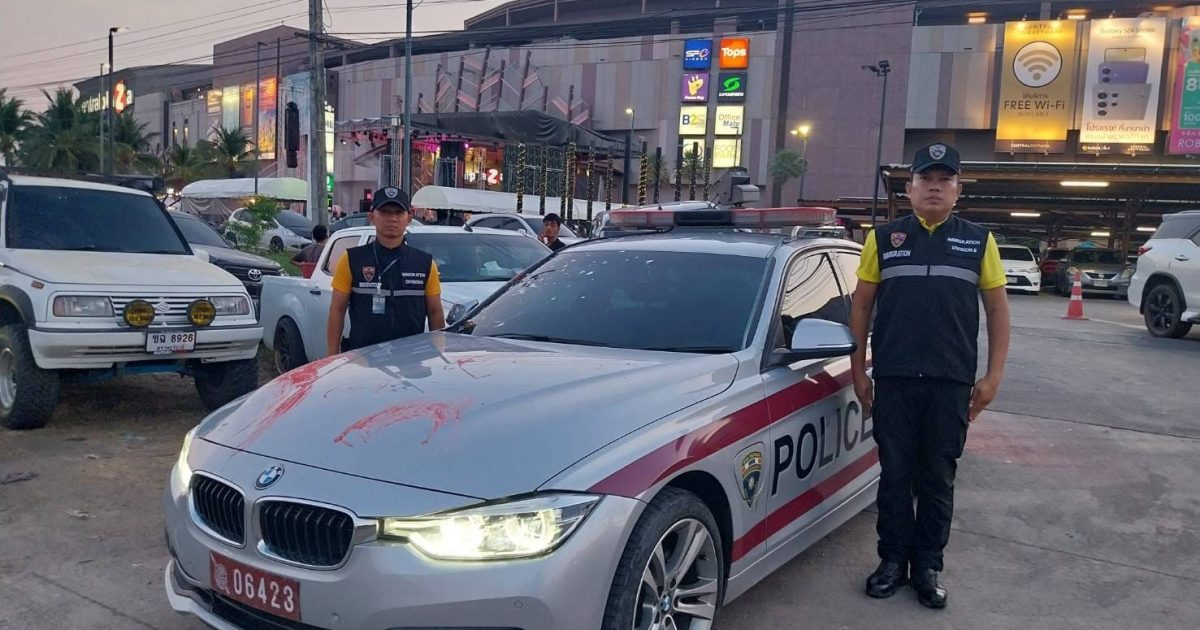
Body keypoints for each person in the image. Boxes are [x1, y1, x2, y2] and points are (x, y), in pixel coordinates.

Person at [850, 143, 1011, 609]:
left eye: (945, 180)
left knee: (937, 479)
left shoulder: (978, 241)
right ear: (910, 188)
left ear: (958, 190)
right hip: (895, 379)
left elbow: (998, 310)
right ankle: (891, 561)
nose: (935, 187)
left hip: (950, 382)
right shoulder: (884, 239)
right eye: (926, 179)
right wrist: (859, 371)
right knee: (895, 475)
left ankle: (927, 567)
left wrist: (993, 377)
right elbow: (861, 306)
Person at [326, 186, 446, 355]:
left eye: (398, 212)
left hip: (411, 360)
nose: (392, 218)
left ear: (409, 218)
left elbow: (435, 312)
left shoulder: (425, 263)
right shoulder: (351, 259)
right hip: (362, 361)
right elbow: (337, 310)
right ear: (371, 217)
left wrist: (439, 355)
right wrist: (331, 357)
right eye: (385, 212)